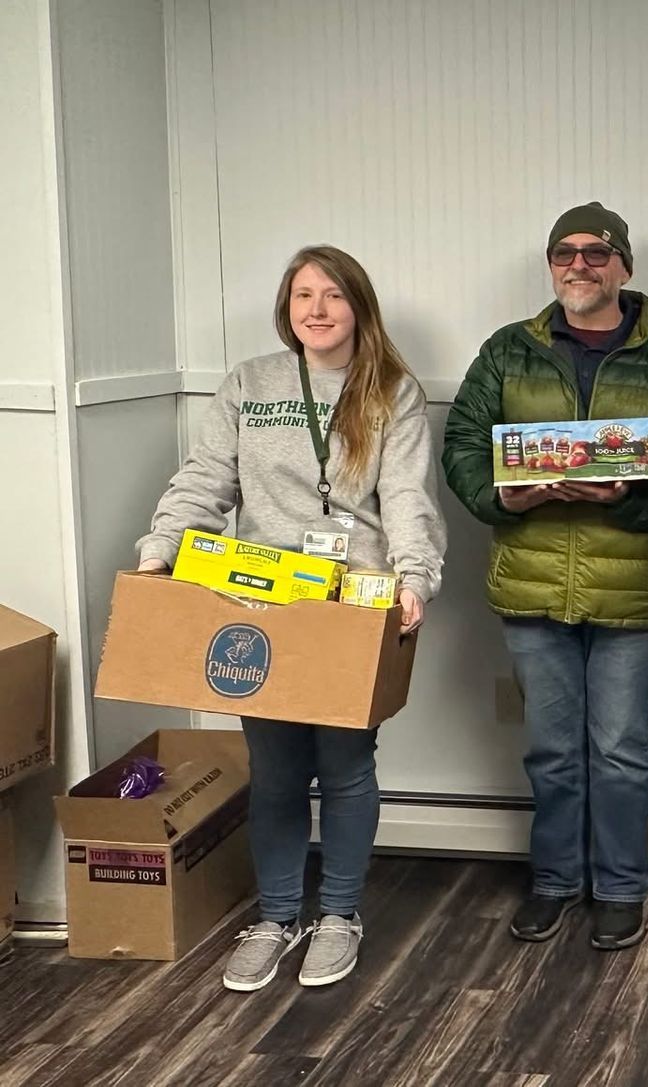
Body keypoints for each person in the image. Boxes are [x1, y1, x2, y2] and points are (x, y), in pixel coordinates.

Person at [136, 245, 447, 992]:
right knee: (274, 771)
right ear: (287, 308)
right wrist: (160, 552)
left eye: (333, 294)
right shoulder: (251, 382)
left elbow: (405, 493)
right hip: (261, 600)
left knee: (345, 766)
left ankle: (339, 913)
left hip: (353, 601)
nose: (317, 308)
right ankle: (276, 916)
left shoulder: (390, 390)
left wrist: (414, 575)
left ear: (358, 306)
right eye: (302, 294)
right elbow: (207, 477)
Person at [442, 202, 648, 951]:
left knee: (623, 748)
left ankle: (621, 886)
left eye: (597, 253)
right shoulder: (508, 351)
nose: (579, 265)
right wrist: (505, 494)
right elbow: (463, 441)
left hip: (629, 586)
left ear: (625, 265)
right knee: (551, 749)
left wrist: (638, 502)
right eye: (565, 252)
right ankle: (556, 881)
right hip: (530, 584)